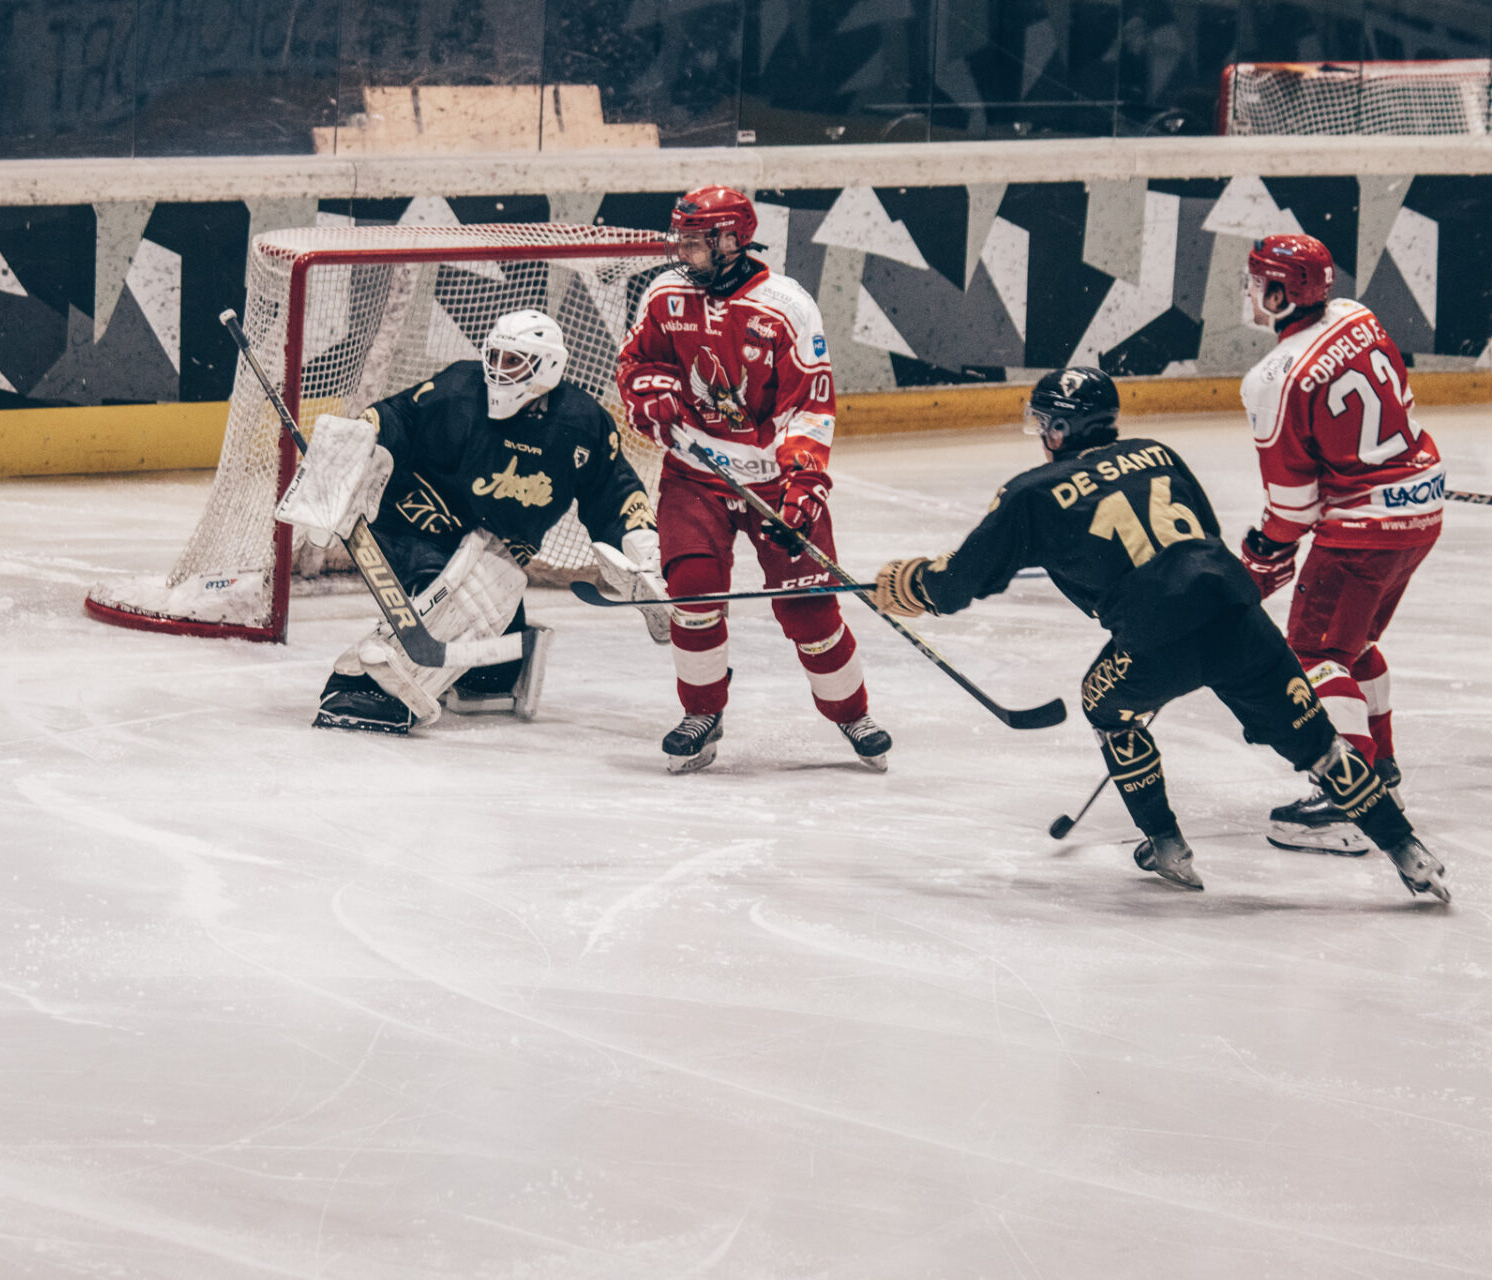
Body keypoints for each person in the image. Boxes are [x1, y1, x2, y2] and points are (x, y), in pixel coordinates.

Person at [869, 366, 1449, 903]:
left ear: (1060, 428)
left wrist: (914, 586)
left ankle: (1167, 844)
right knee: (1321, 746)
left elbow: (960, 581)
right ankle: (1410, 852)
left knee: (1105, 707)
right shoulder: (1157, 453)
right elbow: (1202, 535)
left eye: (1044, 422)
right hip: (1236, 616)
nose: (1041, 432)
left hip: (1154, 642)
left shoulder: (1032, 493)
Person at [276, 309, 667, 735]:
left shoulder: (582, 424)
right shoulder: (458, 391)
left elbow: (615, 493)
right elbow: (396, 417)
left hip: (493, 552)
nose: (497, 370)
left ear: (549, 365)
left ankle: (478, 666)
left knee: (491, 672)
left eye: (512, 361)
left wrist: (642, 550)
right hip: (415, 523)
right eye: (494, 356)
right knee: (450, 593)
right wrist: (350, 451)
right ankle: (362, 686)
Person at [614, 185, 889, 774]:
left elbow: (809, 406)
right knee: (693, 595)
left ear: (732, 239)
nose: (682, 250)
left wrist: (802, 487)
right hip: (695, 473)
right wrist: (647, 395)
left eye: (696, 240)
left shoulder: (786, 306)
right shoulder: (664, 294)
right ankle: (701, 713)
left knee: (811, 614)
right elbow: (637, 362)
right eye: (681, 238)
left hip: (772, 484)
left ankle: (851, 713)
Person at [1238, 233, 1445, 852]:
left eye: (1256, 281)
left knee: (1313, 654)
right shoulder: (1358, 315)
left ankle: (1348, 805)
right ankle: (1381, 776)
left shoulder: (1273, 378)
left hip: (1364, 530)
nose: (1248, 290)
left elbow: (1292, 509)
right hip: (1421, 508)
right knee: (1354, 647)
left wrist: (1262, 552)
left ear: (1280, 293)